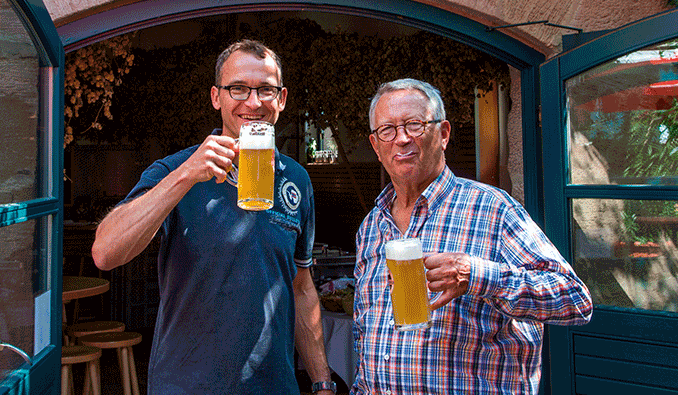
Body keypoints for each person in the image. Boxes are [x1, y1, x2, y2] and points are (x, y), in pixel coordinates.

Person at [92, 39, 336, 395]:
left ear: (281, 99)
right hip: (187, 385)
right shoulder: (176, 169)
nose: (253, 103)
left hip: (274, 387)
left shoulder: (296, 179)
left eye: (266, 89)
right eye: (238, 88)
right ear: (216, 97)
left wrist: (322, 380)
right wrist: (186, 176)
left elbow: (300, 288)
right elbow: (105, 252)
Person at [352, 79, 593, 395]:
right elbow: (364, 331)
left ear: (443, 134)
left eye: (414, 125)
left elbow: (575, 300)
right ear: (375, 145)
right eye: (388, 130)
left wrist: (479, 276)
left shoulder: (492, 208)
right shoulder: (371, 227)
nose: (402, 139)